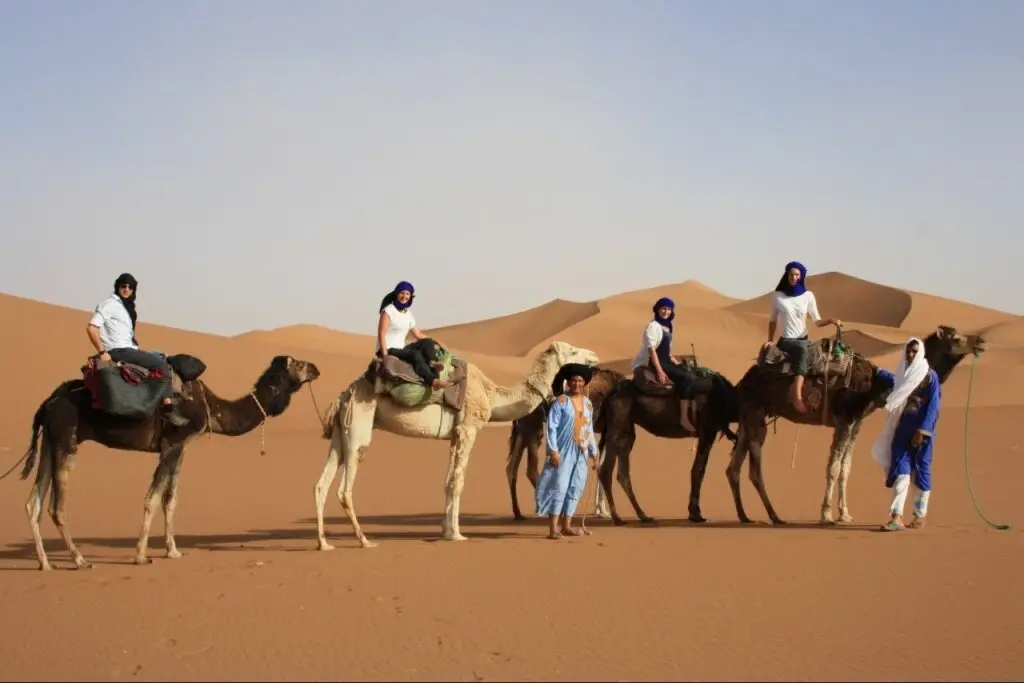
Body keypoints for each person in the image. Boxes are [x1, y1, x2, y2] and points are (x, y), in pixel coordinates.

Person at [86, 273, 188, 427]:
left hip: (129, 348)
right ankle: (168, 409)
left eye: (130, 287)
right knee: (160, 365)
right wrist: (102, 352)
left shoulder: (125, 307)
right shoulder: (110, 304)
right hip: (119, 350)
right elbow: (91, 328)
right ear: (117, 287)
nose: (126, 289)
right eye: (123, 286)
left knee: (162, 356)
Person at [870, 337, 940, 531]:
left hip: (922, 435)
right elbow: (895, 381)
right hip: (901, 430)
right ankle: (896, 516)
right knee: (902, 471)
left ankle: (919, 515)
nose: (910, 354)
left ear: (921, 353)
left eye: (914, 351)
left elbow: (933, 407)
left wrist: (922, 431)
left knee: (922, 473)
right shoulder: (903, 373)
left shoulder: (929, 377)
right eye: (908, 351)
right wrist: (876, 370)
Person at [763, 261, 842, 412]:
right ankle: (796, 396)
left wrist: (831, 321)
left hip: (804, 339)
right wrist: (770, 341)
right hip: (787, 341)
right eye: (791, 274)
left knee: (820, 351)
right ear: (787, 275)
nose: (794, 277)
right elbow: (773, 320)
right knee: (802, 351)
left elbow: (817, 321)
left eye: (797, 275)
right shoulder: (778, 296)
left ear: (801, 276)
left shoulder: (808, 296)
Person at [536, 363, 599, 539]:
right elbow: (552, 428)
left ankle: (567, 525)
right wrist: (553, 451)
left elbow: (589, 428)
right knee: (559, 487)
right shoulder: (560, 402)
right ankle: (553, 528)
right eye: (573, 381)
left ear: (584, 383)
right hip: (563, 451)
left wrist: (594, 451)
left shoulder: (587, 403)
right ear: (568, 382)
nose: (577, 384)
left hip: (582, 452)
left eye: (580, 381)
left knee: (575, 487)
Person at [629, 296, 707, 431]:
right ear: (657, 310)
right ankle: (683, 418)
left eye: (669, 309)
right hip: (653, 363)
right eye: (663, 309)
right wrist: (659, 371)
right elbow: (652, 350)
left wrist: (678, 364)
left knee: (691, 374)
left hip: (665, 361)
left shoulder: (669, 327)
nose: (666, 312)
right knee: (686, 379)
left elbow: (668, 353)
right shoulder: (653, 327)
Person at [375, 281, 451, 388]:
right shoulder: (388, 311)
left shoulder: (408, 314)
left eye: (407, 294)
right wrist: (385, 355)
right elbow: (381, 334)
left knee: (426, 342)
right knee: (415, 354)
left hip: (401, 349)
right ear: (396, 294)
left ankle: (433, 363)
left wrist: (435, 341)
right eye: (402, 293)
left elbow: (418, 334)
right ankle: (433, 381)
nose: (404, 296)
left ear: (410, 296)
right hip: (388, 349)